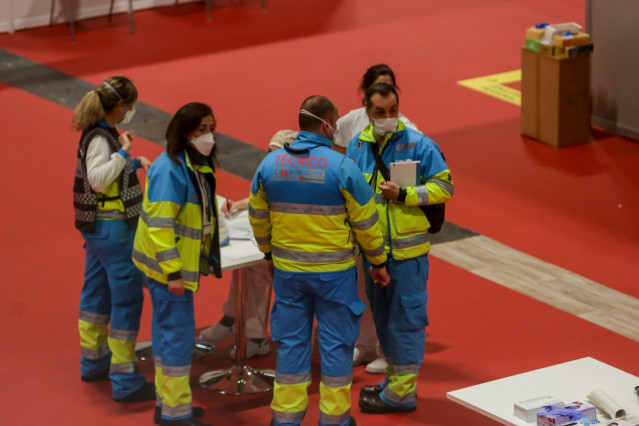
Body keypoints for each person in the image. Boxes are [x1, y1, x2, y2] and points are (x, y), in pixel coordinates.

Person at [249, 95, 390, 426]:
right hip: (333, 277)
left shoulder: (270, 165)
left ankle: (285, 420)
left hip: (289, 275)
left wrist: (269, 253)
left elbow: (258, 216)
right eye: (335, 121)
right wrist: (378, 262)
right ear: (327, 125)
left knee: (292, 347)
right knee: (336, 348)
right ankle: (334, 420)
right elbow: (366, 222)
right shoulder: (342, 167)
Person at [345, 82, 454, 414]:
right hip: (374, 255)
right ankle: (394, 382)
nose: (388, 117)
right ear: (367, 112)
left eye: (392, 111)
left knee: (405, 322)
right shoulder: (357, 146)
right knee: (382, 320)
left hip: (408, 256)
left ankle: (402, 395)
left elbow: (444, 186)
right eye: (380, 112)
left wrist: (406, 195)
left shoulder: (420, 144)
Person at [132, 102, 223, 426]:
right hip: (167, 271)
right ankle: (174, 413)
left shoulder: (191, 164)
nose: (209, 135)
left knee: (169, 334)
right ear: (184, 132)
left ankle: (167, 403)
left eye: (211, 128)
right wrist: (173, 272)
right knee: (176, 337)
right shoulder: (170, 169)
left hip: (169, 268)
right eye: (201, 129)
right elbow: (161, 227)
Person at [72, 76, 156, 403]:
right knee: (127, 301)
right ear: (120, 105)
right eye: (130, 105)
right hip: (114, 230)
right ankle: (125, 381)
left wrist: (133, 163)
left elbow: (104, 175)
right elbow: (97, 179)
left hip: (96, 231)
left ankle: (93, 361)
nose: (131, 111)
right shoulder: (103, 138)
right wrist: (124, 153)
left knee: (96, 294)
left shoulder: (96, 132)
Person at [335, 64, 419, 374]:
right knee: (362, 288)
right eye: (378, 103)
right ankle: (367, 344)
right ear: (366, 102)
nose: (386, 112)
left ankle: (390, 351)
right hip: (360, 223)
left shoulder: (410, 132)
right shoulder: (351, 125)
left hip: (393, 226)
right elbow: (339, 158)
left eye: (391, 102)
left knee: (391, 295)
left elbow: (414, 182)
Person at [197, 130, 298, 359]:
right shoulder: (273, 173)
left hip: (296, 250)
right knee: (248, 267)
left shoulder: (299, 178)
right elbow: (260, 198)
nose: (270, 159)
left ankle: (255, 337)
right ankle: (232, 319)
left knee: (257, 268)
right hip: (275, 242)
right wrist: (238, 204)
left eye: (276, 154)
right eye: (269, 153)